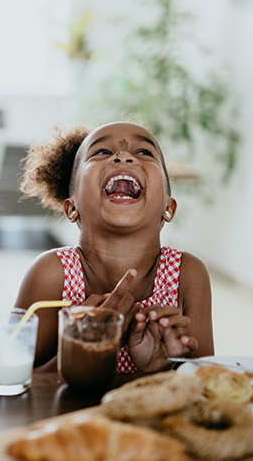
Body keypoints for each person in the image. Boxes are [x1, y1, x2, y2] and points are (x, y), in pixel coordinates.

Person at [15, 120, 214, 374]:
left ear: (168, 207)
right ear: (71, 207)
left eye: (144, 152)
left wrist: (159, 368)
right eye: (101, 152)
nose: (123, 156)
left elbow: (208, 386)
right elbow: (11, 386)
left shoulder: (188, 275)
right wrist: (83, 349)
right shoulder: (51, 274)